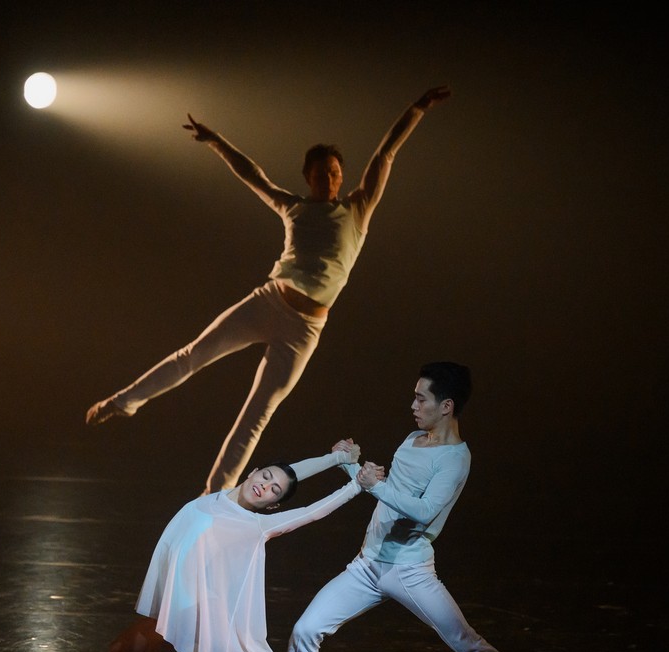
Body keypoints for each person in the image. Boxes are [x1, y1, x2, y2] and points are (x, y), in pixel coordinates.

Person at [86, 86, 452, 495]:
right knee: (194, 354)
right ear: (308, 177)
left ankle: (214, 495)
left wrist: (417, 108)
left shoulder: (356, 210)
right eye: (320, 173)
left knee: (257, 412)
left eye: (333, 172)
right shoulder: (293, 206)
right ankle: (123, 402)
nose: (328, 178)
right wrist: (216, 142)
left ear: (341, 177)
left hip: (305, 330)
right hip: (269, 302)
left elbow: (384, 155)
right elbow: (253, 176)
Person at [263, 362, 547, 652]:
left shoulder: (455, 459)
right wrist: (348, 463)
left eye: (421, 398)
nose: (413, 405)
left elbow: (424, 510)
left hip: (410, 571)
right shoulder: (412, 439)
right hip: (366, 566)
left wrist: (373, 485)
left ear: (446, 406)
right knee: (306, 629)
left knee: (467, 644)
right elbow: (387, 491)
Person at [110, 441, 393, 652]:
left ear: (273, 506)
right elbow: (287, 472)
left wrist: (356, 486)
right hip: (180, 611)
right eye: (265, 477)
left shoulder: (257, 525)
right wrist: (336, 458)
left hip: (211, 621)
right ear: (253, 472)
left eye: (274, 491)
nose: (265, 486)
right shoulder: (220, 497)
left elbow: (311, 513)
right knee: (123, 651)